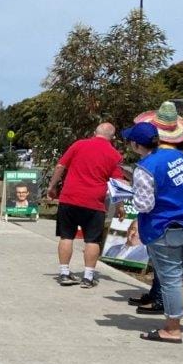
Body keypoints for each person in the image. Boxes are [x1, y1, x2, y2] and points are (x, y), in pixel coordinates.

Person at [122, 110, 183, 343]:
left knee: (170, 278)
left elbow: (145, 205)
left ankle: (172, 327)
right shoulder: (179, 158)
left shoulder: (145, 168)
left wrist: (128, 194)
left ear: (136, 145)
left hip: (165, 227)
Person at [45, 123, 126, 288]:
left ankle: (64, 273)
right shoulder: (115, 155)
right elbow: (118, 183)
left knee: (66, 236)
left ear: (94, 132)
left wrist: (52, 187)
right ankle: (88, 277)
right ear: (113, 137)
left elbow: (61, 166)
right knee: (92, 240)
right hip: (94, 203)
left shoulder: (79, 144)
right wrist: (120, 206)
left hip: (69, 198)